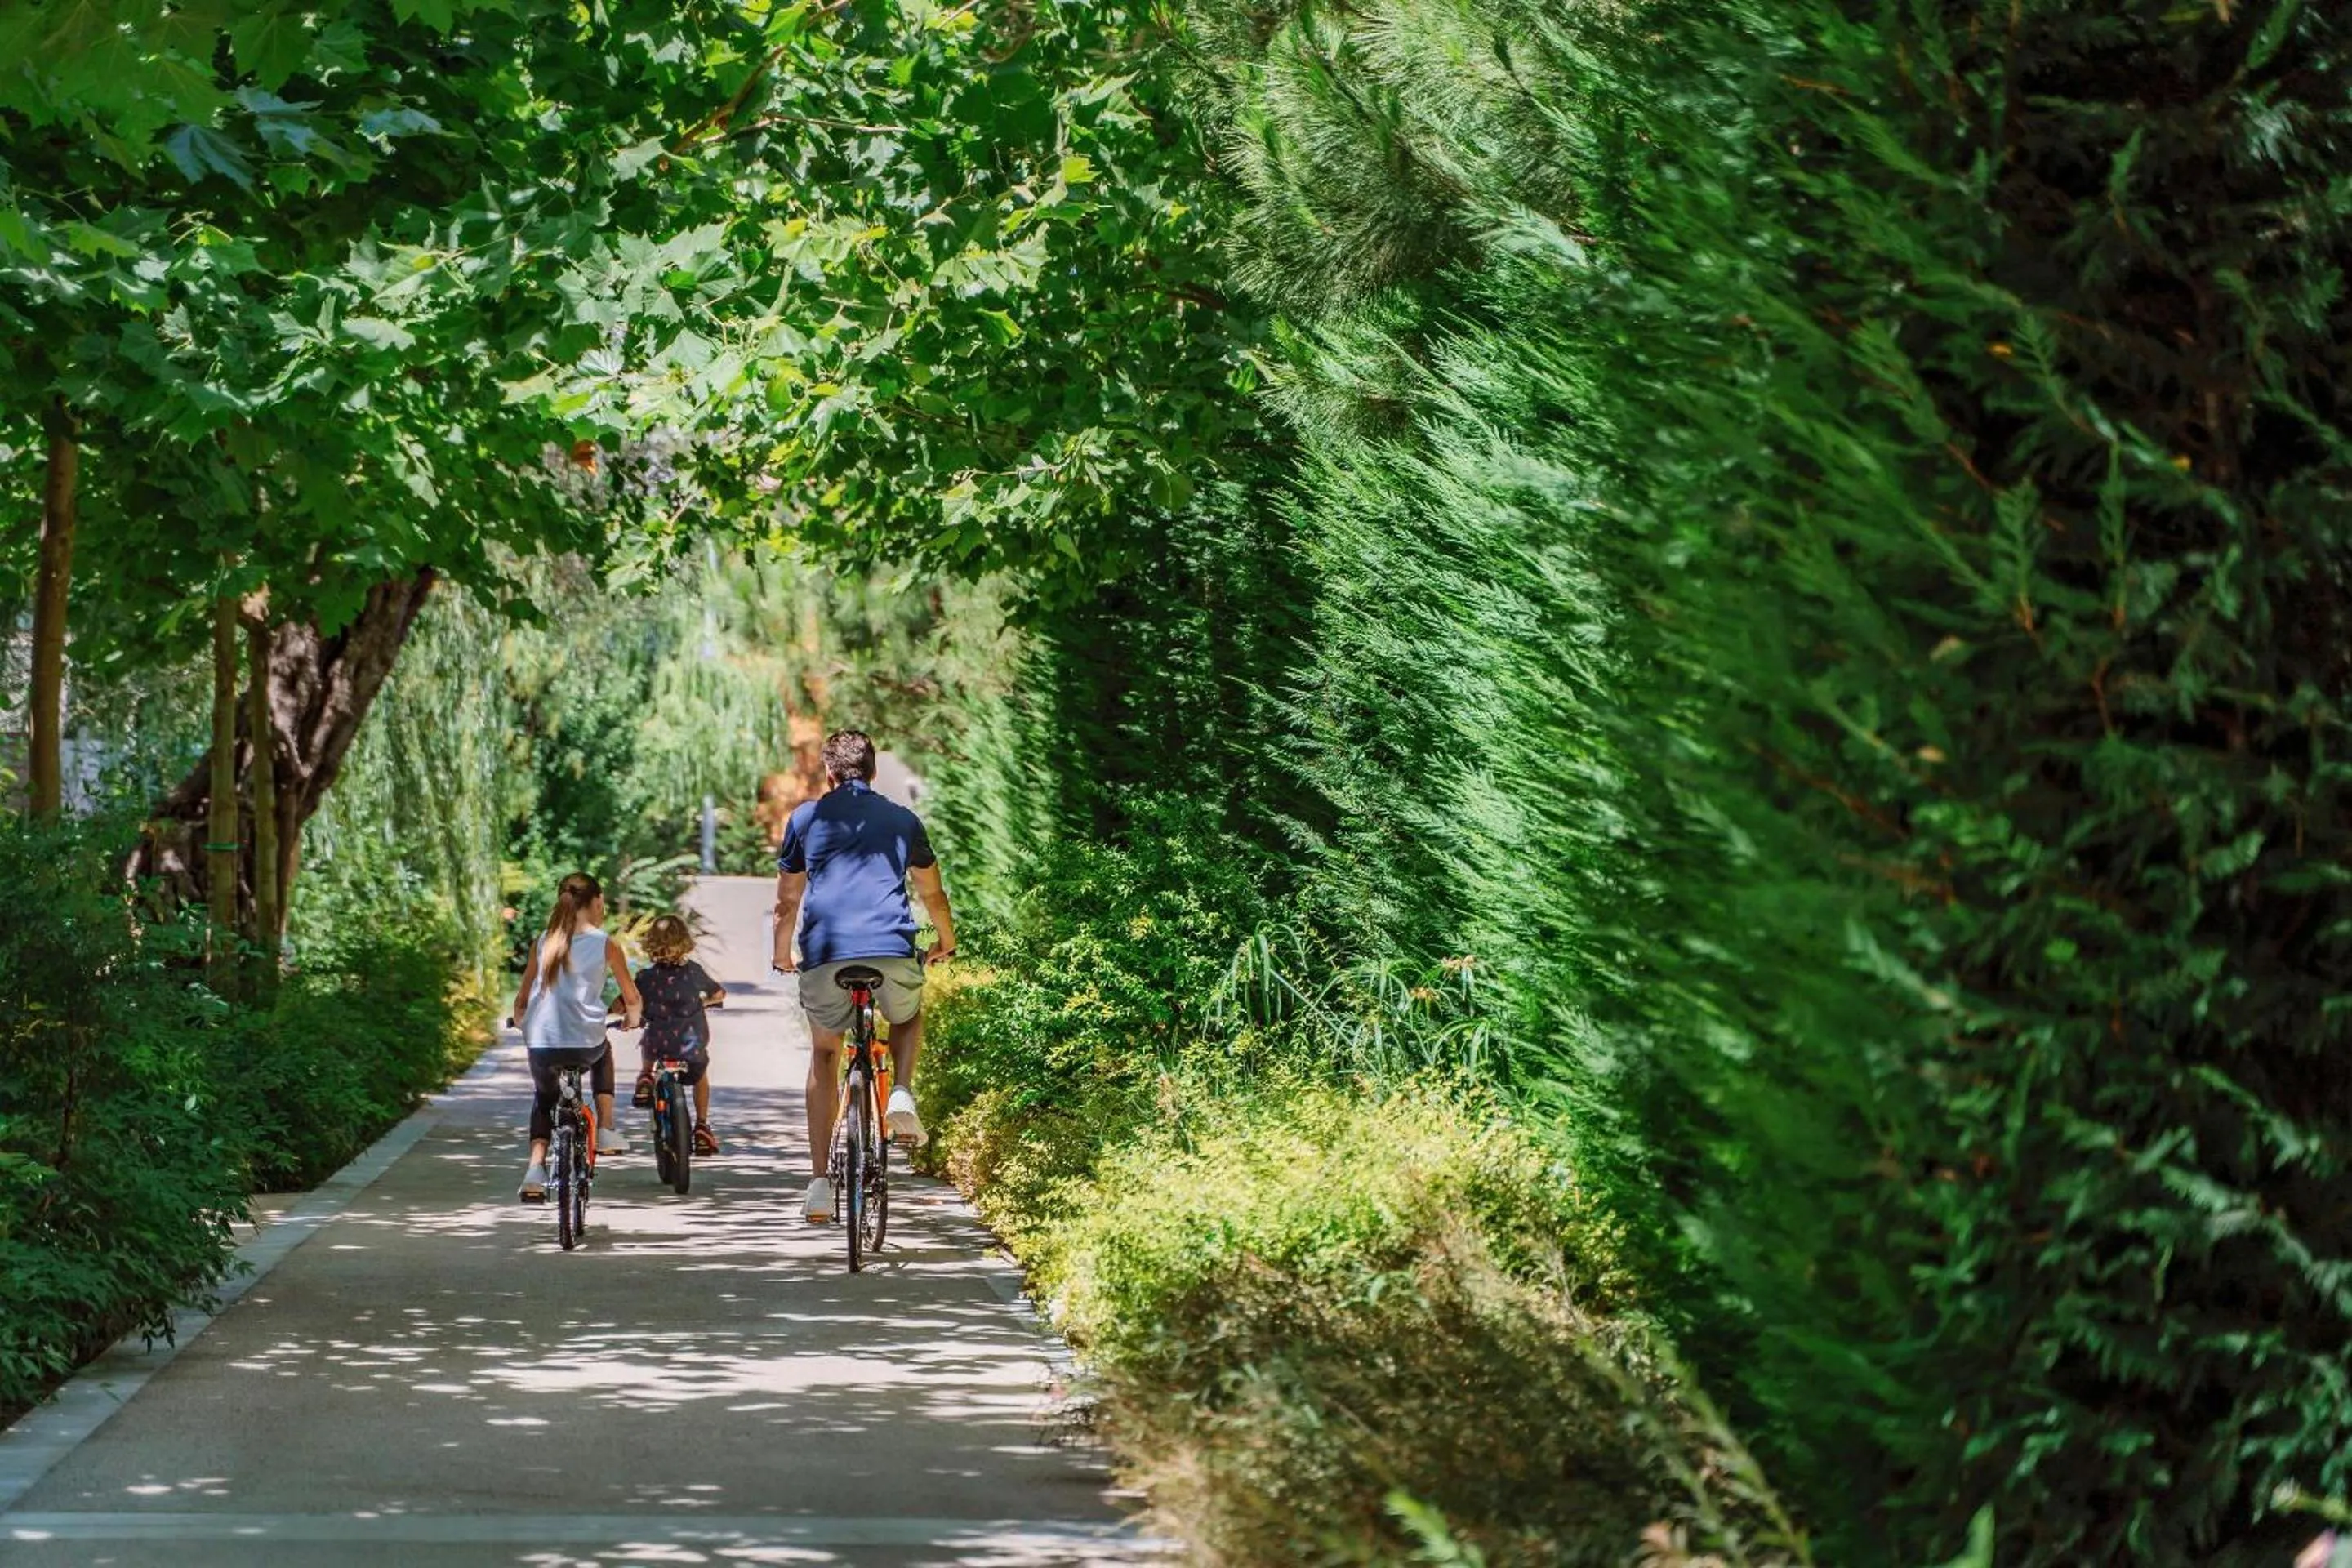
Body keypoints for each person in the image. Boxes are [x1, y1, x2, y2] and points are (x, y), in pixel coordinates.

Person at [772, 729, 956, 1223]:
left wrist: (781, 955)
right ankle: (900, 1090)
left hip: (826, 954)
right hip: (891, 950)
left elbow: (787, 900)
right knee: (907, 1014)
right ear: (873, 772)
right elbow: (934, 896)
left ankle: (817, 1184)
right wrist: (946, 942)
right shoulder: (902, 820)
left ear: (829, 774)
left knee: (825, 1052)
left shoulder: (806, 818)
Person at [510, 872, 642, 1201]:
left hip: (541, 1042)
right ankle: (608, 1129)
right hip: (585, 1043)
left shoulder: (542, 941)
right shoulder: (605, 943)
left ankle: (534, 1170)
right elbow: (633, 998)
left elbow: (522, 1002)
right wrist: (632, 1019)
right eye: (603, 903)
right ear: (596, 901)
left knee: (544, 1098)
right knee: (604, 1052)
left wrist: (520, 1022)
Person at [631, 914, 728, 1154]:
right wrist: (703, 1002)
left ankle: (646, 1075)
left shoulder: (646, 977)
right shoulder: (692, 972)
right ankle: (702, 1126)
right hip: (691, 1049)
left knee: (650, 1034)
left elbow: (631, 1003)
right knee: (701, 1076)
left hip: (658, 1046)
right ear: (685, 942)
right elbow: (719, 993)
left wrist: (626, 1014)